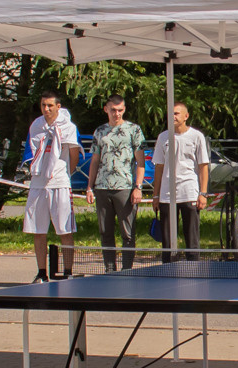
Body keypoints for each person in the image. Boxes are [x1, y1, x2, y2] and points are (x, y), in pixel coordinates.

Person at [24, 90, 81, 280]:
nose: (46, 109)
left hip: (59, 183)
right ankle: (42, 272)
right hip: (38, 183)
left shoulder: (68, 127)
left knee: (65, 229)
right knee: (38, 229)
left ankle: (67, 272)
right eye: (43, 105)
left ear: (58, 106)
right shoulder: (37, 125)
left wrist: (65, 174)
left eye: (50, 105)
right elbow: (33, 152)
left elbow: (74, 154)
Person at [90, 96, 149, 273]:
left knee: (128, 233)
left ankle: (127, 270)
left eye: (120, 110)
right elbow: (95, 160)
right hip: (102, 187)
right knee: (105, 232)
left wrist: (138, 187)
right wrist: (89, 187)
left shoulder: (134, 130)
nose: (117, 113)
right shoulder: (100, 131)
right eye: (113, 110)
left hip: (125, 187)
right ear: (106, 109)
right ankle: (110, 270)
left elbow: (140, 162)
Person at [152, 102, 211, 262]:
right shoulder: (163, 137)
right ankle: (169, 269)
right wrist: (156, 195)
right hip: (166, 195)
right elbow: (159, 167)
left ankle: (193, 268)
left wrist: (203, 193)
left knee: (191, 237)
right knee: (168, 241)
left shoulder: (196, 136)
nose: (173, 116)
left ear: (186, 116)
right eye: (171, 113)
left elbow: (203, 166)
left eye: (176, 113)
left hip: (189, 192)